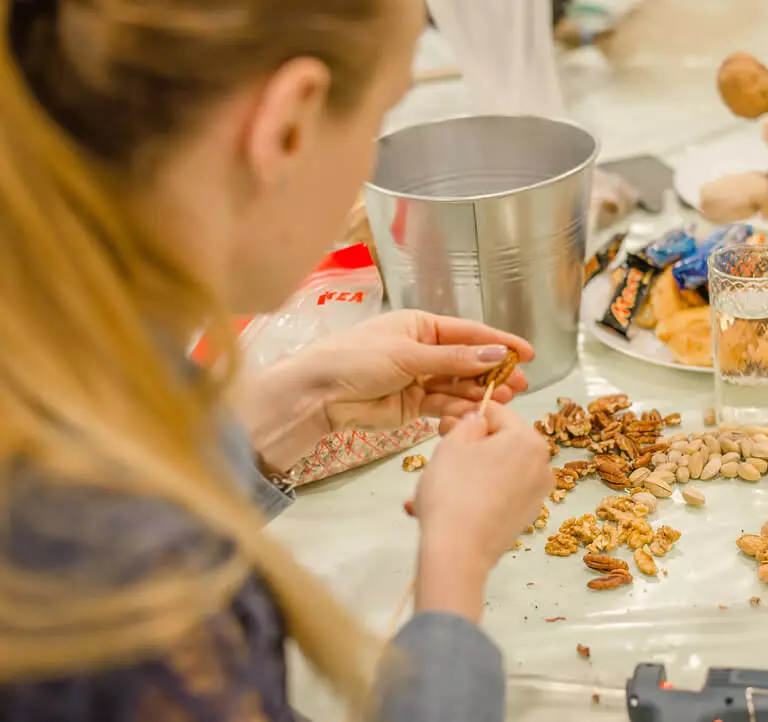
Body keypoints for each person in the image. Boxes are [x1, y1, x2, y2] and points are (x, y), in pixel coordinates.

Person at [0, 0, 556, 721]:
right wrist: (454, 572)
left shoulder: (67, 361)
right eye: (378, 123)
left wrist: (292, 407)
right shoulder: (117, 586)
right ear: (288, 127)